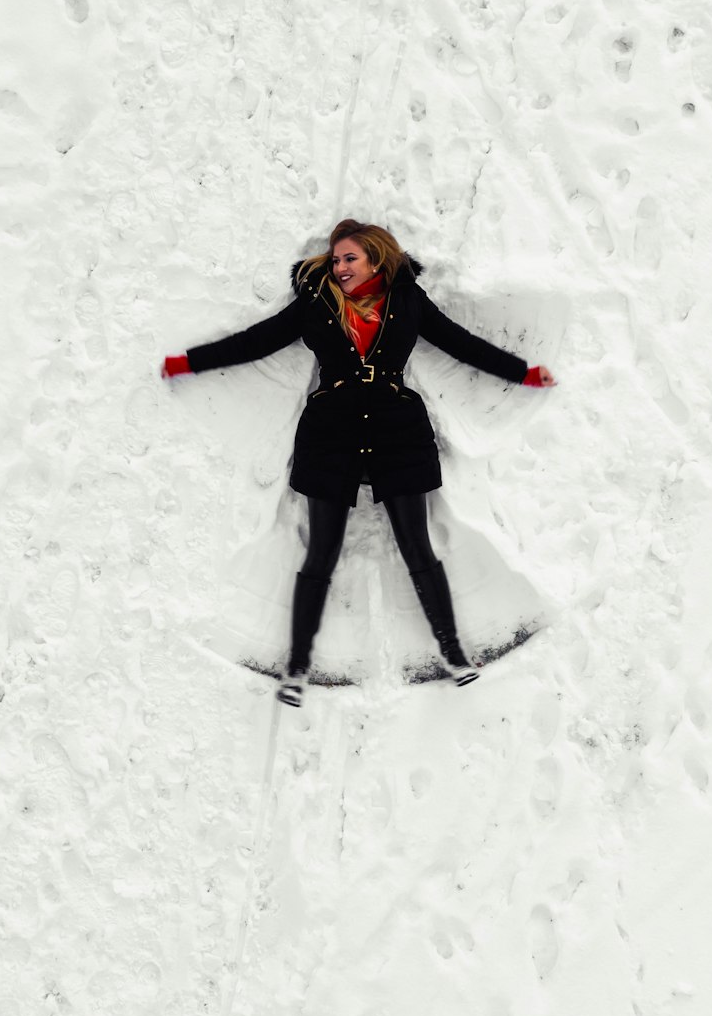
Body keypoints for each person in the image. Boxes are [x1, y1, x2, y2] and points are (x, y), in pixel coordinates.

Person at [162, 220, 555, 707]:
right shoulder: (316, 303)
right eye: (335, 259)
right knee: (321, 551)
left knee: (417, 545)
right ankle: (297, 669)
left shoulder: (407, 300)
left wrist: (522, 373)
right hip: (332, 432)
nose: (340, 266)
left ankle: (454, 654)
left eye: (350, 258)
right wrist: (190, 362)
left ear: (376, 257)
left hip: (398, 431)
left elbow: (460, 342)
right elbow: (255, 341)